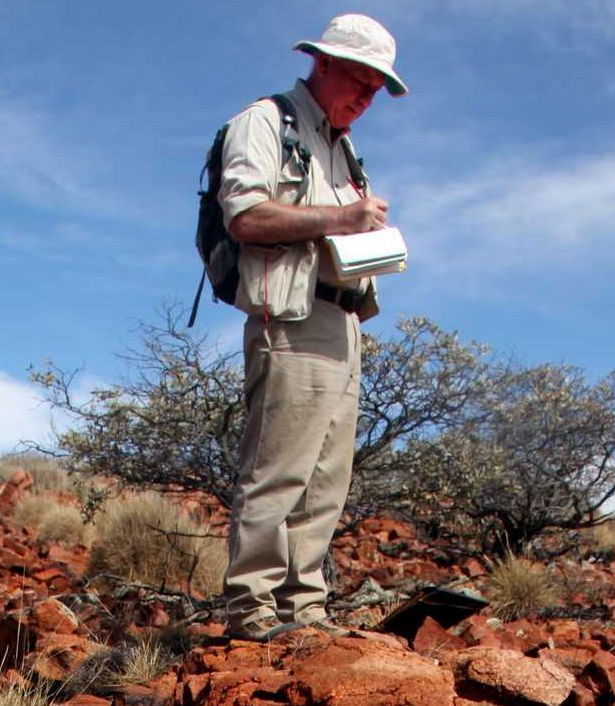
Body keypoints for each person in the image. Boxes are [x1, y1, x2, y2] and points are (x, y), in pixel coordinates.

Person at [218, 13, 408, 642]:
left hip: (345, 320)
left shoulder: (342, 144)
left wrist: (365, 235)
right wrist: (341, 216)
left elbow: (336, 227)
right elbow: (245, 215)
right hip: (291, 318)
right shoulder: (266, 121)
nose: (366, 97)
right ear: (322, 63)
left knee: (327, 478)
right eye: (359, 80)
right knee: (278, 471)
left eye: (377, 90)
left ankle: (304, 612)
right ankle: (252, 610)